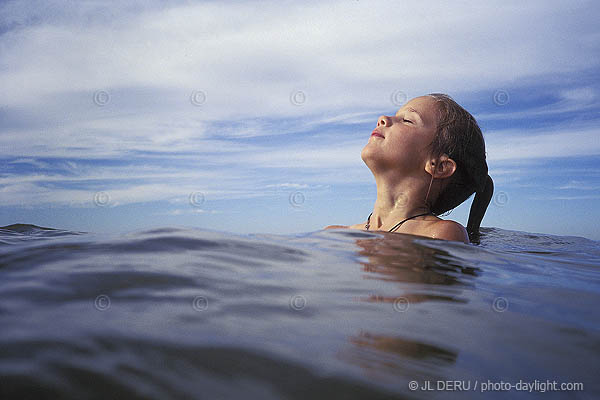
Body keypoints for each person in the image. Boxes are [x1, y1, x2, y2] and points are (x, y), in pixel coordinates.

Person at [325, 93, 493, 243]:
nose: (382, 118)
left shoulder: (441, 234)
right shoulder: (333, 235)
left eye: (407, 120)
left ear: (439, 166)